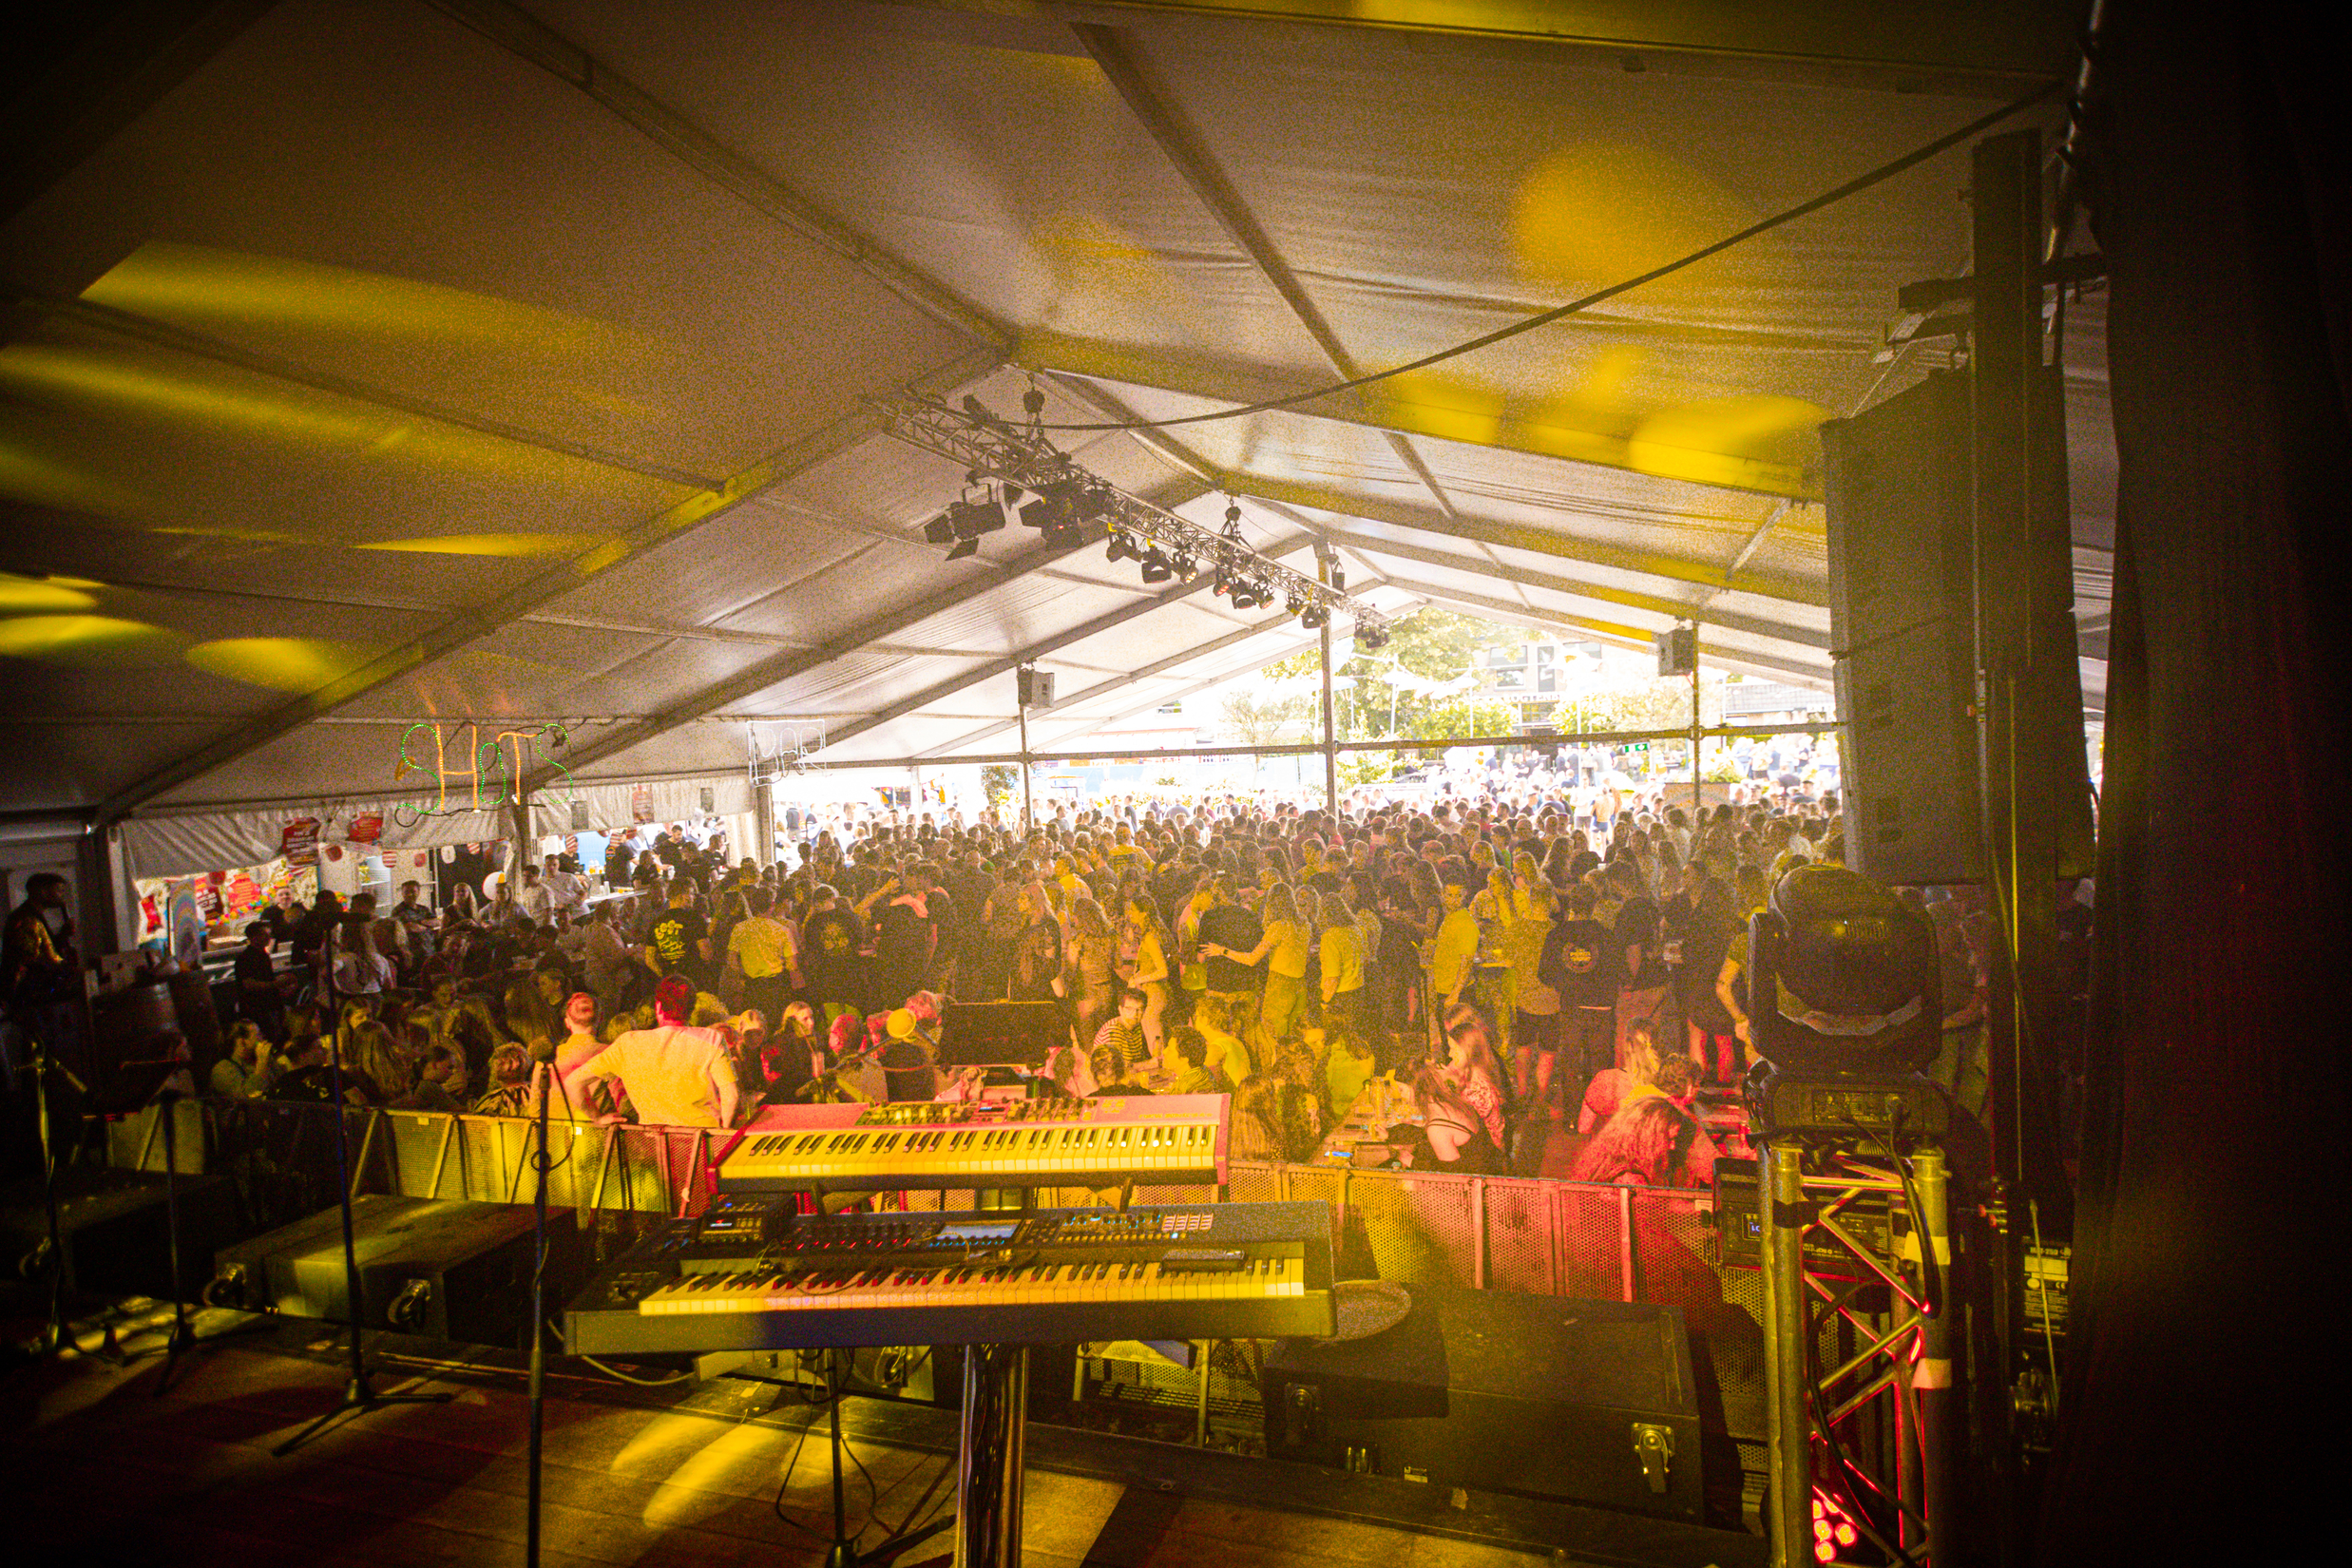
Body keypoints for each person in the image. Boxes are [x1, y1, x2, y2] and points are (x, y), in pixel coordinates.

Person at [563, 975, 739, 1127]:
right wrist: (723, 1130)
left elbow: (573, 1083)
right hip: (704, 1141)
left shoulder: (628, 1043)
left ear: (658, 1007)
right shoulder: (711, 1039)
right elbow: (731, 1097)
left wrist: (598, 1118)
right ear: (691, 1009)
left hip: (654, 1146)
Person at [1540, 885, 1620, 1100]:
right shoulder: (1606, 935)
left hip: (1571, 1007)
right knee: (1599, 1064)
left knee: (1570, 1064)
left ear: (1571, 905)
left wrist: (1564, 984)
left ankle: (1572, 1117)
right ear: (1595, 905)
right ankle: (1597, 1111)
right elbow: (1619, 972)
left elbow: (1545, 974)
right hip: (1601, 1007)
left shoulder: (1557, 935)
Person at [723, 886, 795, 1022]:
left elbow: (731, 960)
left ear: (753, 904)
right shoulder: (782, 930)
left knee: (753, 1023)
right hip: (776, 987)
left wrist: (741, 975)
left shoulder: (740, 928)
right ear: (772, 904)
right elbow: (792, 964)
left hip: (751, 986)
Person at [645, 877, 713, 989]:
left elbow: (649, 960)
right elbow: (706, 953)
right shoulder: (694, 919)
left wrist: (665, 975)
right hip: (694, 980)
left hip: (671, 983)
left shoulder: (656, 923)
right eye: (691, 894)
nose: (693, 898)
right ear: (682, 896)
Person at [233, 920, 287, 1042]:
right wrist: (276, 984)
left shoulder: (263, 955)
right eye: (264, 934)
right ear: (253, 938)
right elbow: (249, 984)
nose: (269, 938)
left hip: (269, 1005)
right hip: (257, 1008)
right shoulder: (245, 958)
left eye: (269, 934)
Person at [1089, 985, 1152, 1086]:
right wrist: (1148, 1064)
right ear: (1120, 1009)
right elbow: (1115, 1070)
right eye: (1129, 1009)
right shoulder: (1112, 1031)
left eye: (1139, 1009)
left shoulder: (1136, 1027)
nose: (1134, 1014)